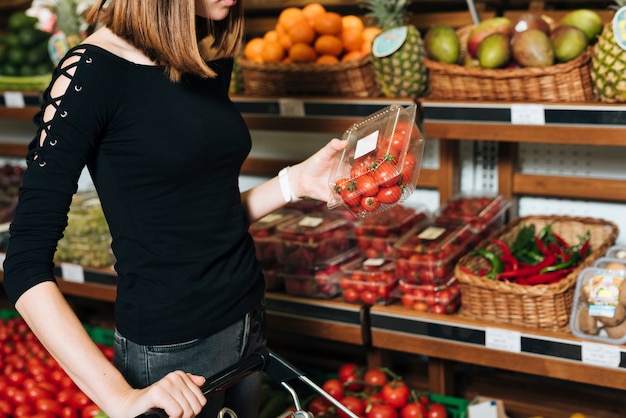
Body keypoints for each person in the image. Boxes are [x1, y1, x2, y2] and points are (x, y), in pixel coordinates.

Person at [2, 1, 348, 417]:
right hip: (171, 355)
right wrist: (120, 398)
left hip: (247, 318)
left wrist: (295, 184)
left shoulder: (199, 56)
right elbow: (23, 263)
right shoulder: (89, 72)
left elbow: (201, 219)